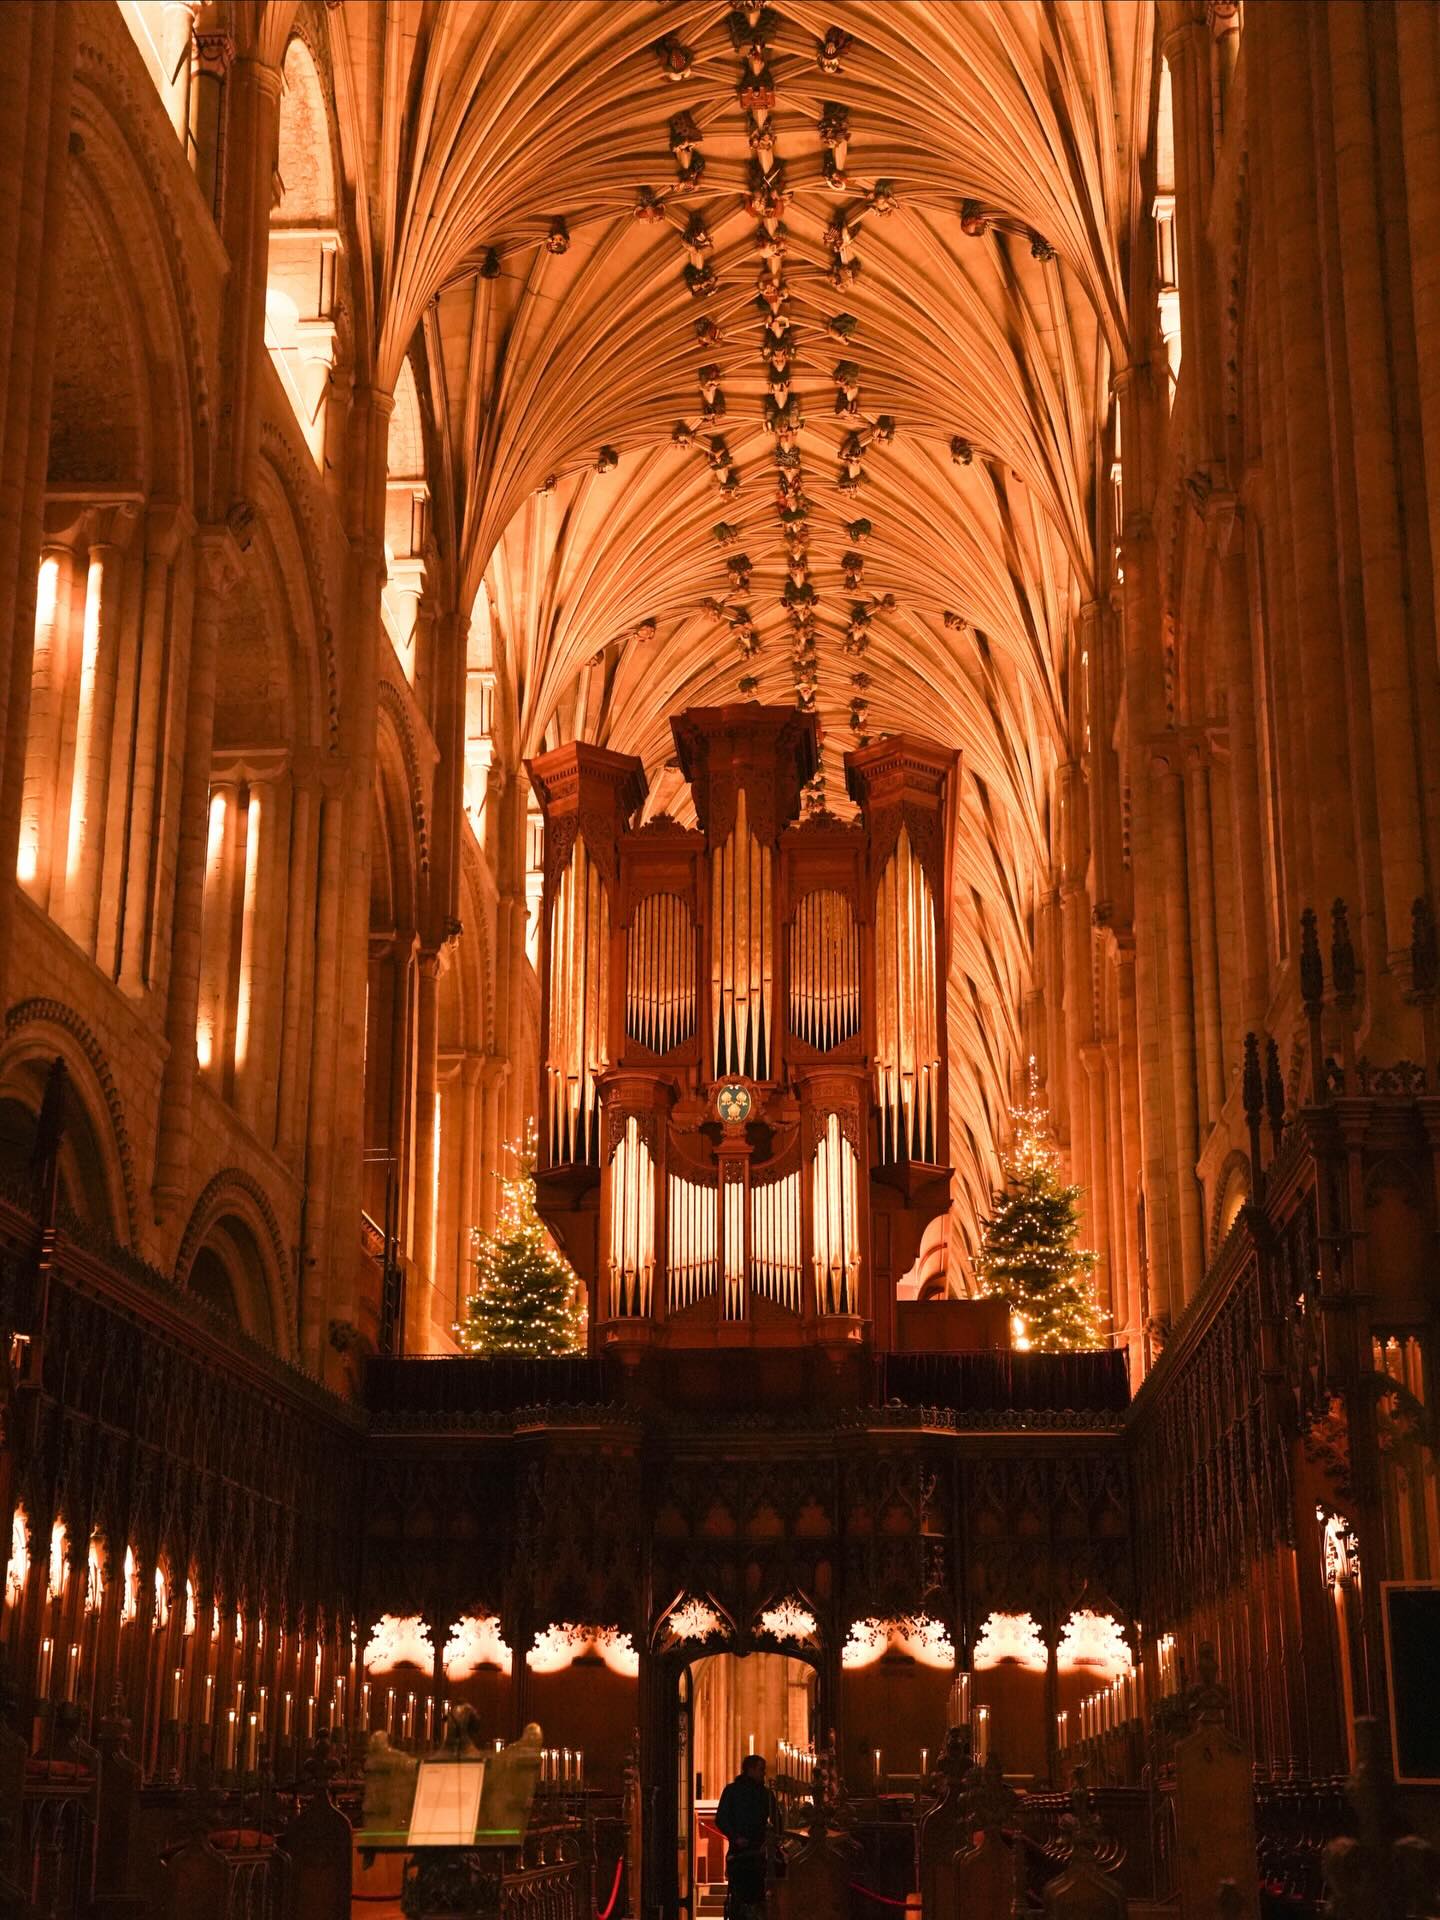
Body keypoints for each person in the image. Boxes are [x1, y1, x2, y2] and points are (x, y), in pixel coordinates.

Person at [714, 1752, 776, 1918]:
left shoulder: (766, 1794)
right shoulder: (732, 1791)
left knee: (758, 1897)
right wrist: (735, 1837)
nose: (764, 1774)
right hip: (740, 1855)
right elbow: (721, 1819)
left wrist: (768, 1842)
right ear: (750, 1769)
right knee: (741, 1898)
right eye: (761, 1769)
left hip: (760, 1855)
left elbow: (777, 1822)